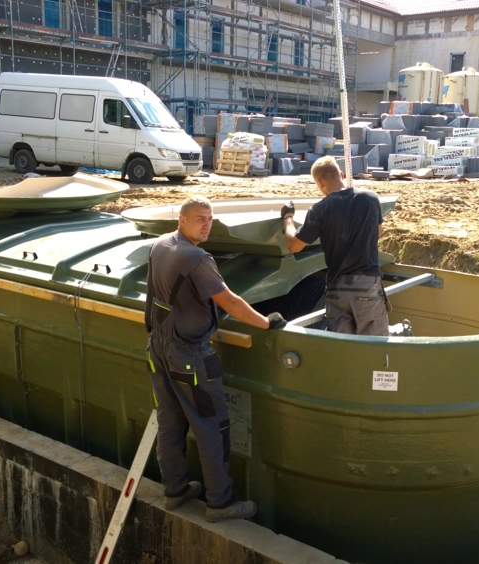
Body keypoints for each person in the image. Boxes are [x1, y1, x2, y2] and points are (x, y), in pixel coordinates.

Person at [145, 196, 285, 522]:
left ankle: (175, 490)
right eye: (199, 219)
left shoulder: (161, 245)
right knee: (212, 427)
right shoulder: (197, 258)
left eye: (210, 218)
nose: (207, 225)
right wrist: (266, 322)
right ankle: (220, 503)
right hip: (190, 356)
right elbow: (230, 302)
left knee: (170, 422)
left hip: (158, 349)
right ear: (182, 219)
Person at [281, 156, 388, 336]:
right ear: (341, 174)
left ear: (320, 183)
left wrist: (288, 217)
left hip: (337, 289)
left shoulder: (319, 209)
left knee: (341, 350)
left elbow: (294, 246)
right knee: (375, 350)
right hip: (367, 286)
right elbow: (378, 232)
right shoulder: (370, 198)